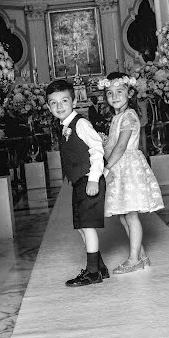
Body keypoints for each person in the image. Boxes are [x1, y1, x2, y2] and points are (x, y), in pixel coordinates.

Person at [45, 79, 109, 287]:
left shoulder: (80, 123)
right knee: (82, 226)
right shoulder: (64, 126)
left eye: (64, 100)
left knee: (88, 226)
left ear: (74, 101)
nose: (59, 106)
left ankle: (92, 273)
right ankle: (99, 268)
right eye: (53, 103)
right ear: (48, 106)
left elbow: (97, 149)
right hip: (79, 181)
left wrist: (93, 179)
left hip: (89, 180)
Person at [99, 72, 164, 274]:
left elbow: (121, 146)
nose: (114, 96)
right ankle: (142, 255)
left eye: (119, 92)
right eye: (110, 93)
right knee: (123, 215)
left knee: (131, 214)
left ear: (130, 92)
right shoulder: (118, 117)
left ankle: (134, 259)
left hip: (127, 167)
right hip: (120, 166)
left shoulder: (129, 116)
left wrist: (106, 167)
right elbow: (113, 144)